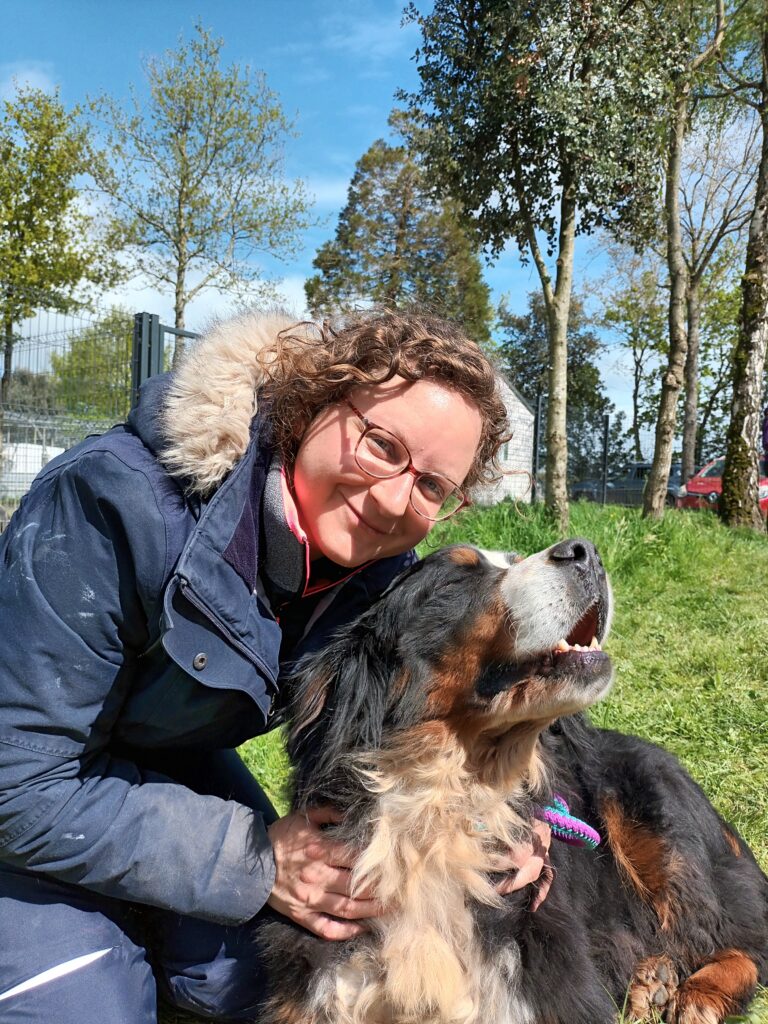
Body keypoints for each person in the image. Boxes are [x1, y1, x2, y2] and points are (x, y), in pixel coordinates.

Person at [0, 309, 552, 1023]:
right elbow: (17, 783)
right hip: (29, 783)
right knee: (85, 1009)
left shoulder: (376, 573)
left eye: (431, 488)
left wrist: (521, 819)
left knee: (256, 975)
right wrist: (251, 859)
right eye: (382, 446)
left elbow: (437, 713)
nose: (393, 499)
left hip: (160, 758)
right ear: (314, 402)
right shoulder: (111, 503)